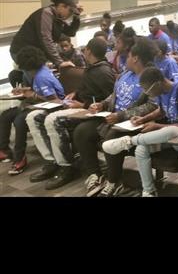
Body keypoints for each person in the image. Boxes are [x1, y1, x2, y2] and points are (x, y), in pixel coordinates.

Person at [25, 37, 115, 189]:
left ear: (89, 51)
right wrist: (75, 93)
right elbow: (87, 88)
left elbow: (110, 100)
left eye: (85, 49)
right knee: (33, 117)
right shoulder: (92, 68)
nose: (83, 51)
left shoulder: (103, 71)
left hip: (91, 111)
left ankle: (67, 166)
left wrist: (83, 104)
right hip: (79, 105)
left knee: (52, 120)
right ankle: (52, 161)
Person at [72, 38, 158, 197]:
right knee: (82, 131)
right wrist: (102, 105)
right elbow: (115, 95)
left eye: (130, 55)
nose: (127, 58)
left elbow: (152, 105)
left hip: (132, 122)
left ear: (136, 58)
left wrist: (122, 115)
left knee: (110, 138)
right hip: (113, 117)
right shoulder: (126, 73)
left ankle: (114, 182)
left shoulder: (151, 76)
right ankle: (96, 175)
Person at [102, 67, 178, 197]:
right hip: (171, 138)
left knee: (172, 129)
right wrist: (143, 119)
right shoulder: (162, 92)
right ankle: (149, 190)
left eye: (148, 90)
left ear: (157, 84)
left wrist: (156, 126)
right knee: (141, 149)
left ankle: (130, 141)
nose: (147, 93)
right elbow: (162, 110)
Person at [0, 46, 65, 175]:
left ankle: (20, 158)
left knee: (19, 120)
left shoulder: (41, 77)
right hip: (39, 104)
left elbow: (55, 101)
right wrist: (26, 91)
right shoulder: (37, 72)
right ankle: (4, 150)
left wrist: (33, 96)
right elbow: (40, 92)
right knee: (6, 115)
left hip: (50, 109)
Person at [10, 0, 83, 70]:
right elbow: (46, 39)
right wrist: (60, 62)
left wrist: (76, 16)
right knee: (38, 75)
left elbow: (71, 32)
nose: (70, 14)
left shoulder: (58, 18)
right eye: (70, 11)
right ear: (62, 6)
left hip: (35, 52)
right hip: (22, 52)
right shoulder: (46, 13)